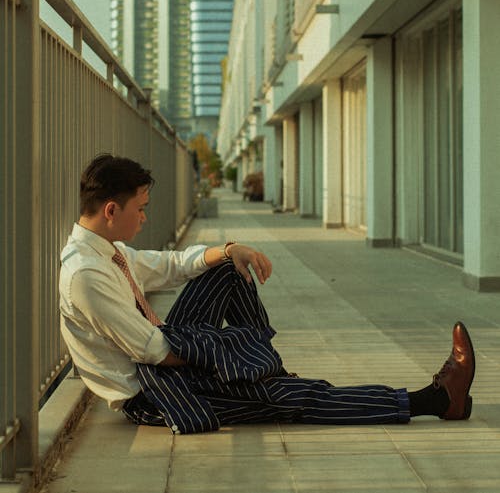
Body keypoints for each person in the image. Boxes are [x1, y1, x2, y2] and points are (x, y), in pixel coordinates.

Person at [59, 154, 475, 434]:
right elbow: (154, 351)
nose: (145, 217)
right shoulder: (85, 275)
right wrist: (232, 354)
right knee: (296, 399)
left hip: (165, 354)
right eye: (141, 208)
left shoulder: (107, 249)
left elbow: (169, 266)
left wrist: (229, 249)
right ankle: (436, 400)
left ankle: (263, 372)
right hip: (158, 392)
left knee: (225, 271)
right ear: (111, 210)